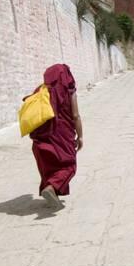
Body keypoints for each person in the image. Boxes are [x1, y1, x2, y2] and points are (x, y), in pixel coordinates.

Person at [26, 64, 83, 208]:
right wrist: (80, 136)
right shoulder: (68, 90)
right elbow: (75, 115)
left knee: (48, 167)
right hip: (62, 136)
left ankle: (53, 196)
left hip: (40, 139)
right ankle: (51, 188)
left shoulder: (40, 90)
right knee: (69, 166)